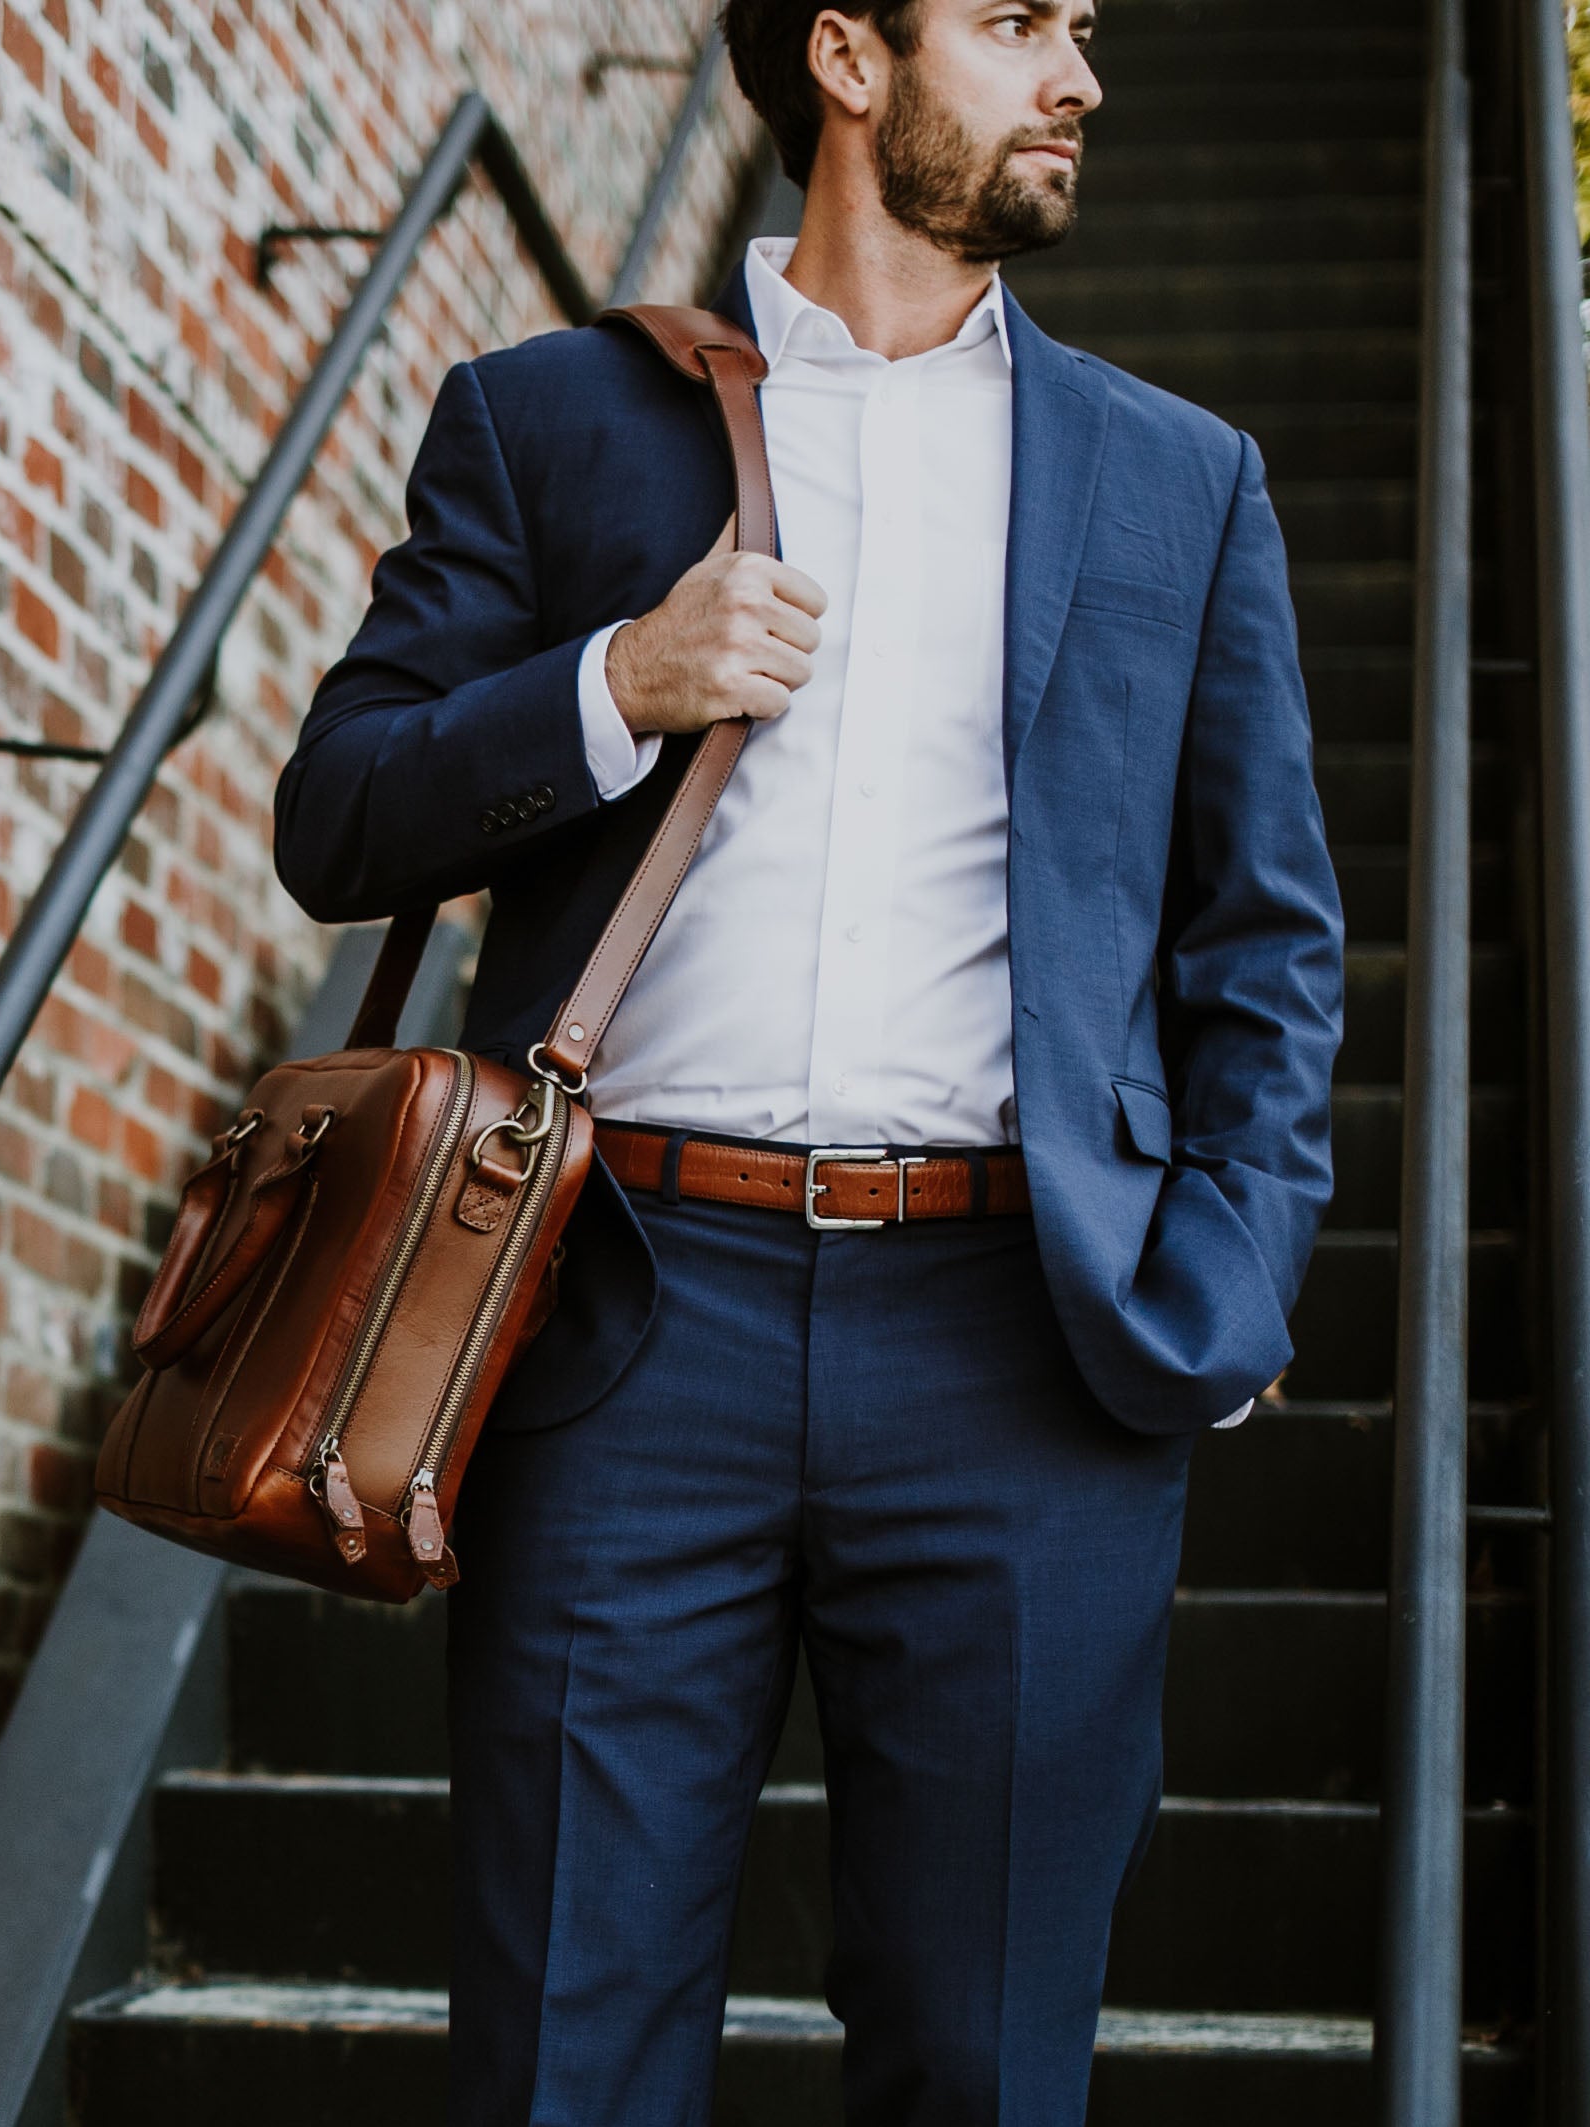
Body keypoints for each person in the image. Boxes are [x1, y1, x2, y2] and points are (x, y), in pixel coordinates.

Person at [271, 0, 1344, 2118]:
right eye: (1016, 22)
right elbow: (339, 809)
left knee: (985, 2059)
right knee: (564, 2048)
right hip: (619, 1328)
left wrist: (1221, 1277)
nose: (1078, 75)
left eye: (1086, 31)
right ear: (844, 55)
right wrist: (612, 680)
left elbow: (1264, 942)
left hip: (1016, 1356)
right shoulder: (550, 420)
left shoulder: (1177, 481)